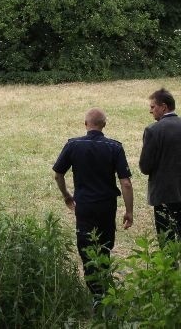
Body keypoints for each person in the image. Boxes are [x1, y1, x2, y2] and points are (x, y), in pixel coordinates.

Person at [52, 108, 134, 298]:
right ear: (104, 125)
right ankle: (104, 291)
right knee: (104, 247)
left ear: (86, 124)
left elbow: (58, 174)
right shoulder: (115, 147)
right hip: (106, 205)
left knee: (86, 248)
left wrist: (66, 195)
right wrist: (129, 211)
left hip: (84, 206)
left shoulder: (73, 145)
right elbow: (126, 183)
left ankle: (96, 293)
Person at [139, 88, 181, 243]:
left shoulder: (153, 130)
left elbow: (145, 166)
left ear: (164, 107)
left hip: (164, 192)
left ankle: (170, 267)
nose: (151, 111)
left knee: (166, 237)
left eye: (152, 107)